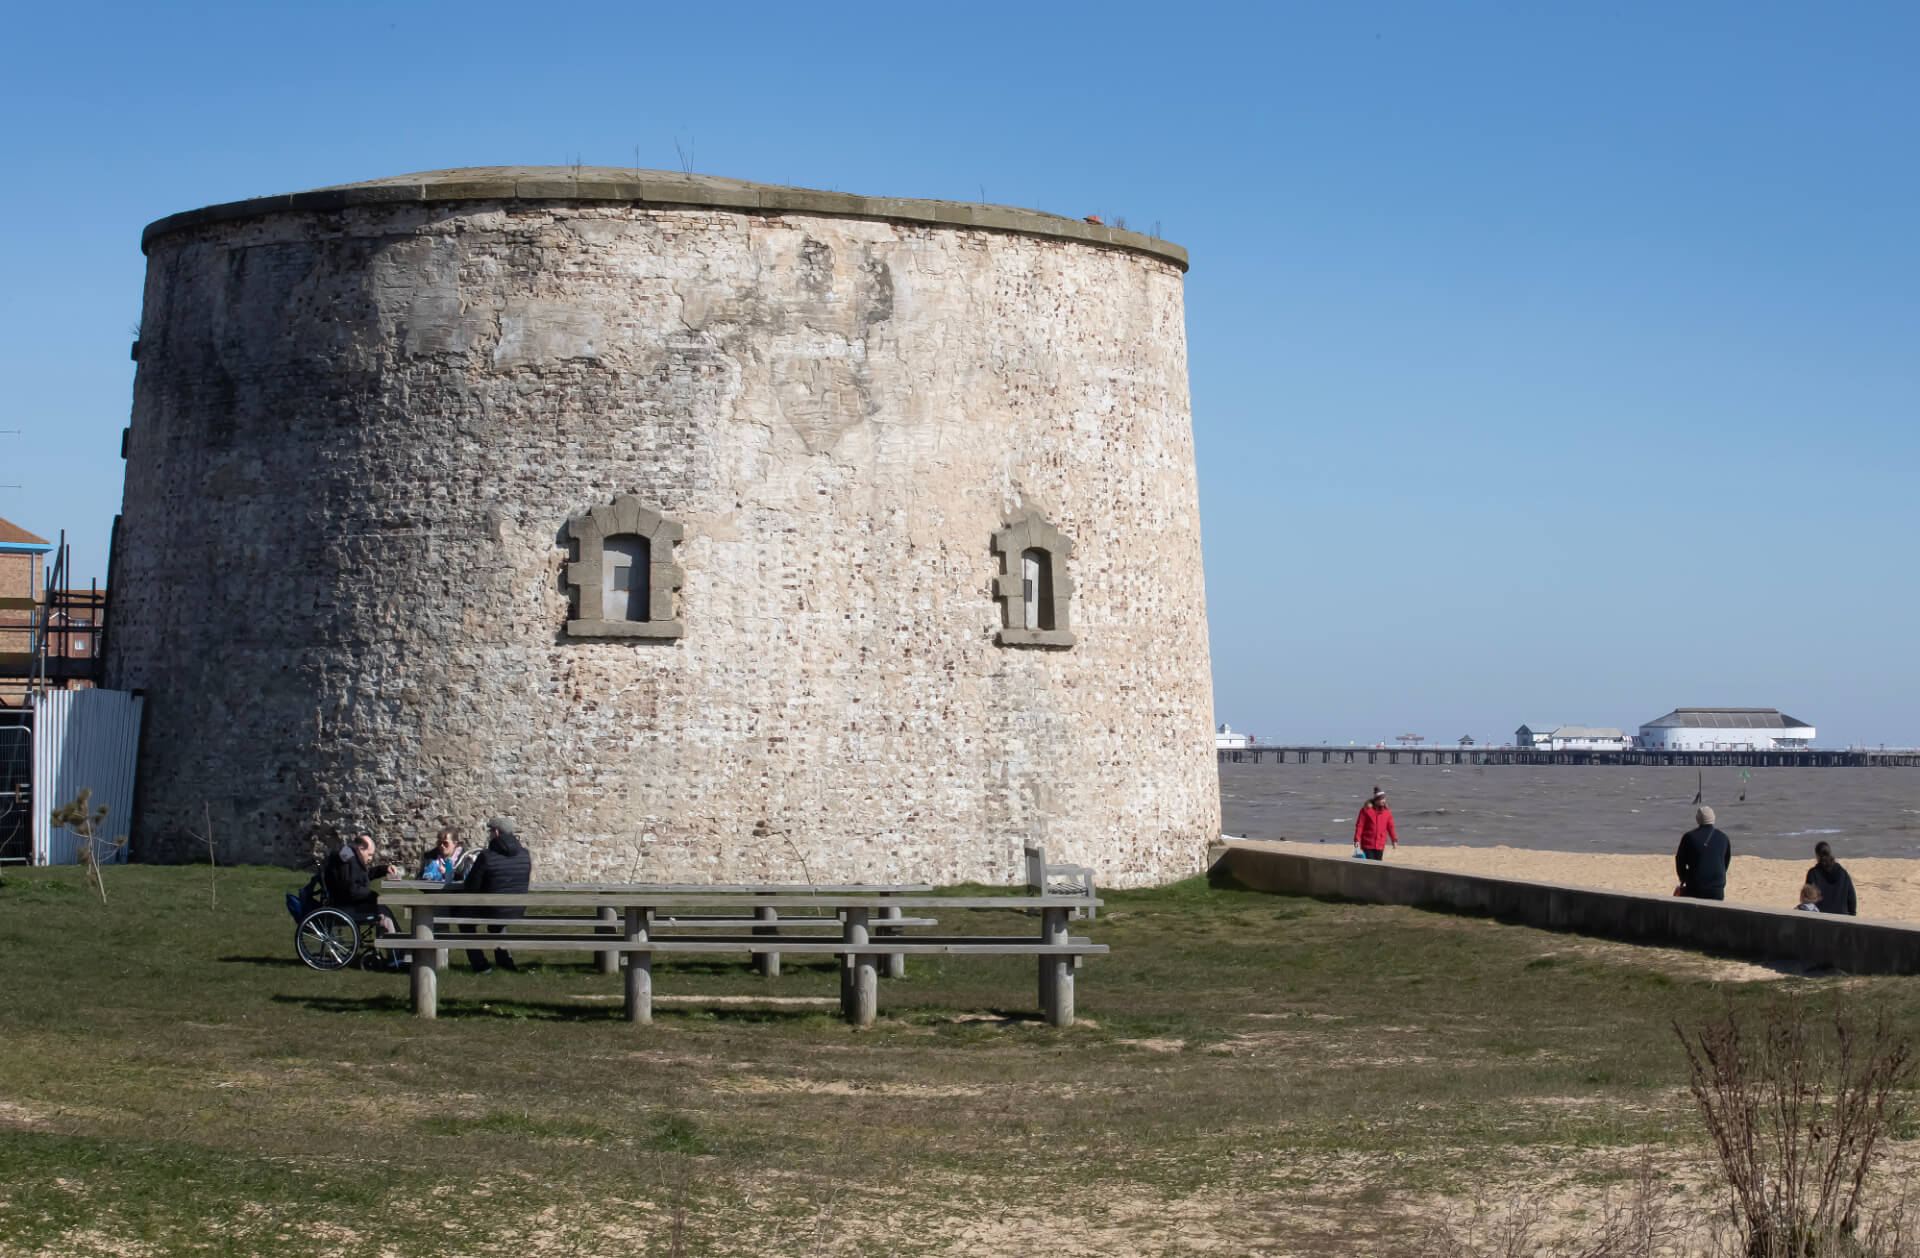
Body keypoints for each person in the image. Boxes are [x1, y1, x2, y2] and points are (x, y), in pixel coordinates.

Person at [450, 817, 532, 972]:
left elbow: (471, 886)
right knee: (497, 921)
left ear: (495, 832)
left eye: (490, 832)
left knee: (464, 920)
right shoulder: (525, 855)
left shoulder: (487, 856)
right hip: (517, 908)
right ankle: (505, 962)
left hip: (492, 907)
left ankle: (480, 965)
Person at [322, 832, 403, 960]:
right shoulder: (348, 859)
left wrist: (384, 869)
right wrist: (374, 896)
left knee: (384, 911)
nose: (370, 858)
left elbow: (363, 877)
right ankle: (397, 956)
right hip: (344, 906)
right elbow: (352, 891)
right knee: (384, 915)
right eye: (369, 854)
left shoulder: (350, 856)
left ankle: (399, 951)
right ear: (361, 849)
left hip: (345, 902)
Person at [1674, 806, 1731, 901]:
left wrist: (1684, 878)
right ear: (1713, 818)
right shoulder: (1724, 837)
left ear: (1697, 819)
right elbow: (1725, 862)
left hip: (1696, 886)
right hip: (1717, 886)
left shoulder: (1689, 837)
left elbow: (1680, 861)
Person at [1805, 840, 1858, 916]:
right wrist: (1852, 916)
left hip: (1820, 917)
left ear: (1817, 855)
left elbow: (1807, 898)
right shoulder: (1842, 872)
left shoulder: (1813, 874)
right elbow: (1851, 898)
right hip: (1842, 917)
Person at [1353, 787, 1398, 861]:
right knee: (1371, 863)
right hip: (1367, 843)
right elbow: (1360, 825)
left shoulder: (1387, 812)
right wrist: (1357, 839)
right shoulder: (1366, 810)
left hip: (1380, 843)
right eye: (1381, 799)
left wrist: (1394, 840)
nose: (1384, 801)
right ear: (1376, 800)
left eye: (1384, 798)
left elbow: (1391, 827)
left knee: (1378, 864)